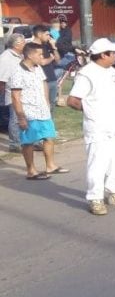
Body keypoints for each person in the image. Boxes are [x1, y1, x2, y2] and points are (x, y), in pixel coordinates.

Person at [66, 38, 115, 215]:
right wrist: (93, 112)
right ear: (103, 55)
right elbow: (73, 100)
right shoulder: (87, 73)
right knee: (97, 164)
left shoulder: (111, 71)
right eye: (112, 53)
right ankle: (95, 198)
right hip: (98, 127)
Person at [9, 42, 69, 180]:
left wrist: (47, 102)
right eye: (39, 54)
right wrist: (21, 117)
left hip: (43, 110)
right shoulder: (17, 72)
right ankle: (31, 170)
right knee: (28, 141)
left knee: (49, 137)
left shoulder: (38, 68)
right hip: (28, 112)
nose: (42, 57)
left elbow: (44, 84)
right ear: (30, 55)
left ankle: (51, 166)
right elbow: (15, 96)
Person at [0, 34, 26, 152]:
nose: (25, 45)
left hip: (23, 92)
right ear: (16, 45)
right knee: (15, 119)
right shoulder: (6, 58)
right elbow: (2, 80)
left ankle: (23, 141)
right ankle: (15, 144)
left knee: (22, 117)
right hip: (12, 93)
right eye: (23, 43)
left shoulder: (19, 56)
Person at [30, 24, 60, 111]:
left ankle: (50, 124)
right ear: (39, 34)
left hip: (52, 79)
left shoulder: (47, 45)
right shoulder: (31, 47)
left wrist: (54, 47)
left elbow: (58, 60)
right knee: (42, 106)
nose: (49, 37)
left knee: (52, 105)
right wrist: (51, 58)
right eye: (47, 34)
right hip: (41, 81)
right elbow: (41, 62)